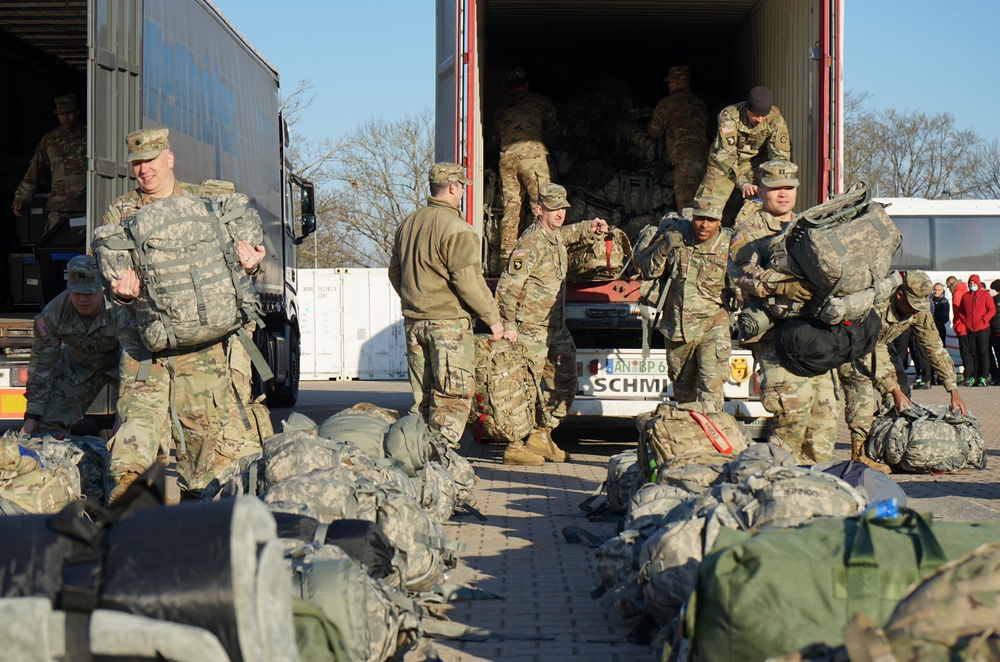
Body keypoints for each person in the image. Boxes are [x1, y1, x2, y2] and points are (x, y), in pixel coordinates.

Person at [105, 129, 266, 503]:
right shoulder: (120, 212)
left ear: (170, 158)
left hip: (202, 342)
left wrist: (251, 265)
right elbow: (108, 276)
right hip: (145, 340)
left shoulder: (206, 203)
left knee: (202, 429)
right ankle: (128, 494)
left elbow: (237, 267)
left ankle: (201, 499)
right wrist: (121, 293)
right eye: (137, 164)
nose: (144, 170)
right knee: (140, 416)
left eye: (151, 161)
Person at [388, 162, 507, 451]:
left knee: (424, 401)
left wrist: (415, 299)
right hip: (448, 328)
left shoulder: (408, 224)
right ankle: (442, 469)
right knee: (451, 399)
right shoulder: (458, 229)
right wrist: (493, 319)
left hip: (414, 324)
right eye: (463, 187)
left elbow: (394, 272)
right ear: (453, 188)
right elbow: (468, 281)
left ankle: (419, 464)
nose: (464, 192)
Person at [728, 160, 837, 464]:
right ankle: (781, 483)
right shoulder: (749, 229)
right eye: (775, 189)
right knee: (791, 410)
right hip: (774, 335)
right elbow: (741, 273)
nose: (783, 194)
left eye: (789, 188)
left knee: (824, 413)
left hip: (811, 332)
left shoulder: (807, 226)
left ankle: (818, 486)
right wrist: (784, 286)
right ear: (761, 190)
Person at [494, 183, 608, 465]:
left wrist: (588, 227)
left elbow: (568, 234)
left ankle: (542, 434)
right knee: (523, 388)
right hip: (530, 329)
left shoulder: (553, 235)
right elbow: (508, 287)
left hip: (554, 327)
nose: (560, 214)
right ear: (539, 209)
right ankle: (515, 445)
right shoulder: (529, 244)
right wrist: (508, 324)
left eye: (563, 209)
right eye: (554, 209)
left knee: (566, 379)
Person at [639, 197, 731, 409]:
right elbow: (648, 270)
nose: (704, 225)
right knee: (684, 397)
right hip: (677, 330)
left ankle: (713, 438)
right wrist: (664, 247)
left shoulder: (730, 246)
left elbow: (741, 285)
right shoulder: (677, 238)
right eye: (700, 219)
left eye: (710, 220)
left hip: (712, 326)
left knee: (711, 389)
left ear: (720, 220)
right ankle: (691, 438)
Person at [21, 256, 121, 435]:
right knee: (46, 424)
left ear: (102, 290)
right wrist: (32, 415)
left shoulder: (121, 309)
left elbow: (137, 360)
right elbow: (42, 366)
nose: (82, 299)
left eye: (89, 293)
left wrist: (126, 416)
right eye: (77, 293)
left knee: (138, 425)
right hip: (79, 367)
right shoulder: (54, 313)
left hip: (121, 367)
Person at [11, 94, 88, 302]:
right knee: (51, 260)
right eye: (61, 114)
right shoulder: (50, 141)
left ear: (77, 112)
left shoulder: (90, 136)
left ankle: (88, 303)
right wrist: (21, 199)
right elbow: (33, 174)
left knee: (87, 260)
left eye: (69, 113)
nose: (66, 118)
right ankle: (52, 304)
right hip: (58, 211)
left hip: (86, 209)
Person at [488, 68, 559, 270]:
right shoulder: (540, 102)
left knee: (511, 211)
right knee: (544, 206)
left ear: (508, 89)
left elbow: (493, 141)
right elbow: (553, 130)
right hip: (533, 158)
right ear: (526, 84)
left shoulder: (501, 110)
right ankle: (543, 260)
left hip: (507, 160)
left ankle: (506, 263)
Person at [871, 271, 966, 416]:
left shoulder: (919, 309)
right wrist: (892, 389)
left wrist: (953, 390)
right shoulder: (877, 303)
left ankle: (890, 434)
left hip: (881, 345)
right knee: (861, 406)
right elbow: (863, 350)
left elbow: (934, 347)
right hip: (852, 349)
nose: (916, 310)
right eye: (913, 304)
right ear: (900, 295)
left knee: (902, 396)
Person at [696, 86, 791, 210]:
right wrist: (742, 182)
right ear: (747, 109)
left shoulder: (775, 119)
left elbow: (780, 156)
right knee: (706, 208)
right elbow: (726, 154)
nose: (760, 120)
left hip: (753, 165)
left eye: (763, 116)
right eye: (756, 115)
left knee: (760, 207)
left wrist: (774, 183)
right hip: (724, 165)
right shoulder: (730, 116)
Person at [646, 66, 709, 211]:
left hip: (684, 160)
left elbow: (654, 132)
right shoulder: (700, 103)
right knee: (704, 202)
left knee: (686, 206)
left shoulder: (667, 104)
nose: (668, 85)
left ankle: (690, 233)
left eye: (670, 82)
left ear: (676, 84)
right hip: (704, 157)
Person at [958, 274, 995, 387]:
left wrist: (984, 319)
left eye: (974, 284)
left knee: (983, 352)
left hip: (983, 328)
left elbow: (992, 309)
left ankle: (984, 376)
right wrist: (965, 321)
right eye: (970, 284)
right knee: (973, 354)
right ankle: (975, 375)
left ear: (978, 284)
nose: (972, 285)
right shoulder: (966, 296)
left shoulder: (985, 295)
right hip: (970, 329)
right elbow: (960, 311)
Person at [946, 275, 973, 385]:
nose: (948, 289)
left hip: (962, 326)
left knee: (965, 352)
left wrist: (957, 324)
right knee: (971, 351)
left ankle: (968, 375)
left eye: (948, 286)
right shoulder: (965, 290)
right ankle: (971, 374)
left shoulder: (957, 293)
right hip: (968, 326)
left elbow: (957, 311)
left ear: (952, 283)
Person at [990, 279, 1000, 384]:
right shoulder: (993, 300)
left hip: (995, 331)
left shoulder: (994, 300)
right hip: (994, 331)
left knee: (996, 355)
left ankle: (996, 377)